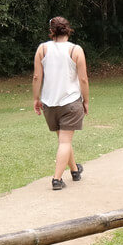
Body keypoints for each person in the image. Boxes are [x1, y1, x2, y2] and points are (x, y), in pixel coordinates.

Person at [32, 16, 89, 190]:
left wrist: (36, 98)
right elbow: (83, 79)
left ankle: (74, 170)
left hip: (50, 103)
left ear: (52, 31)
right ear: (68, 29)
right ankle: (57, 179)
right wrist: (86, 100)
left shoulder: (42, 49)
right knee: (65, 141)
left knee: (64, 139)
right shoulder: (75, 50)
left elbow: (36, 77)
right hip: (70, 102)